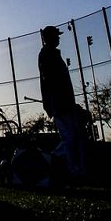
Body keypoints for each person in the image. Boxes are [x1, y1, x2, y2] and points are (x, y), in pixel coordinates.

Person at [38, 25, 87, 182]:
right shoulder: (47, 55)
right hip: (59, 103)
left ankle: (72, 169)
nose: (58, 38)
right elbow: (52, 81)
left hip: (63, 103)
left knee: (72, 137)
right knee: (69, 138)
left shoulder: (52, 54)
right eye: (56, 36)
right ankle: (65, 167)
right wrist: (54, 103)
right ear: (49, 38)